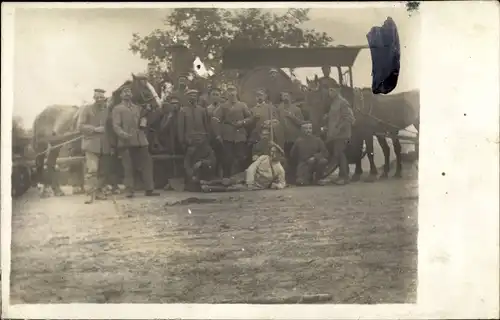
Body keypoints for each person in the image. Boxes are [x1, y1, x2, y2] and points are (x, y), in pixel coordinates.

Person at [111, 84, 160, 197]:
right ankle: (129, 190)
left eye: (129, 92)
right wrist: (124, 135)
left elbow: (145, 118)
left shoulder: (137, 108)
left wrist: (145, 119)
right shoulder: (117, 109)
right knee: (128, 166)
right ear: (121, 95)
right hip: (126, 141)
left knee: (147, 164)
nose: (127, 93)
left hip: (141, 140)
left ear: (132, 95)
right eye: (125, 92)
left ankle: (149, 189)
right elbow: (116, 125)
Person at [200, 142, 286, 193]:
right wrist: (249, 181)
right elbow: (252, 167)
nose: (272, 154)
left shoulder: (280, 169)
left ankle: (209, 188)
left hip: (256, 185)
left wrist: (277, 186)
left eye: (275, 152)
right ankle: (208, 182)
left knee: (232, 188)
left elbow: (282, 183)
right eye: (271, 151)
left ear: (280, 155)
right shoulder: (264, 157)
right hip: (247, 176)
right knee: (229, 181)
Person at [77, 88, 114, 203]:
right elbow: (80, 126)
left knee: (103, 171)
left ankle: (98, 192)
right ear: (93, 98)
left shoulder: (108, 110)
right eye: (97, 97)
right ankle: (89, 194)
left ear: (104, 99)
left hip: (105, 145)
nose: (99, 100)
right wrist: (94, 129)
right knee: (92, 169)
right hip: (91, 145)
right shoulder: (86, 109)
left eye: (101, 98)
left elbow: (111, 127)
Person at [213, 84, 253, 178]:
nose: (231, 93)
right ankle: (227, 178)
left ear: (236, 92)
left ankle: (242, 178)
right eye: (229, 91)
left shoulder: (242, 105)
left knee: (241, 157)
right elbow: (215, 120)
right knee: (227, 159)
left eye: (233, 90)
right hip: (227, 135)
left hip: (240, 135)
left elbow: (250, 118)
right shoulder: (223, 106)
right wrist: (218, 134)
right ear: (227, 94)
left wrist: (243, 122)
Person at [323, 86, 356, 185]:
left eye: (332, 90)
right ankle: (343, 175)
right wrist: (327, 118)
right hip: (334, 134)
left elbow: (349, 118)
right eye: (329, 90)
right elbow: (335, 116)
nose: (330, 92)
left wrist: (339, 128)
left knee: (340, 153)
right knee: (339, 154)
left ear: (337, 91)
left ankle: (344, 177)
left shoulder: (343, 102)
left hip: (342, 134)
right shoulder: (334, 102)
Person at [277, 91, 304, 183]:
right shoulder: (279, 109)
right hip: (283, 138)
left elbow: (301, 123)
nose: (285, 97)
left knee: (294, 157)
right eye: (283, 96)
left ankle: (295, 177)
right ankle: (287, 179)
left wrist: (292, 117)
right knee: (285, 158)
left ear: (290, 97)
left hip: (294, 138)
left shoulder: (296, 109)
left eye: (287, 95)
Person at [205, 86, 224, 177]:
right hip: (211, 137)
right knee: (212, 157)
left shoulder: (224, 107)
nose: (215, 96)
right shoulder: (207, 109)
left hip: (223, 136)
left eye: (217, 95)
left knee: (223, 157)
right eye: (213, 94)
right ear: (210, 96)